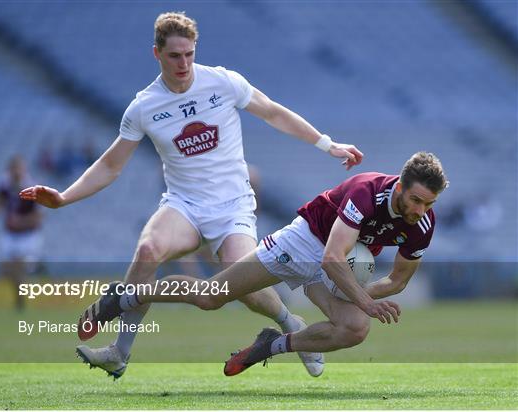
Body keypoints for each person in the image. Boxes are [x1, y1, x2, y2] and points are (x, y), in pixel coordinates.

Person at [19, 11, 363, 378]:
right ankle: (120, 353)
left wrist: (328, 144)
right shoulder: (144, 106)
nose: (183, 63)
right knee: (149, 249)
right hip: (183, 205)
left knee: (242, 284)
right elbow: (110, 165)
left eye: (189, 54)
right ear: (156, 54)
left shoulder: (223, 82)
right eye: (174, 56)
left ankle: (288, 321)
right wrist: (64, 197)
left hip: (233, 207)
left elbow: (273, 113)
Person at [80, 152, 447, 376]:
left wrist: (362, 293)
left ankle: (270, 346)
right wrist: (365, 299)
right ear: (399, 186)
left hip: (339, 261)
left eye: (427, 204)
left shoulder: (423, 224)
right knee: (212, 296)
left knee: (354, 328)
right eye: (415, 200)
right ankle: (126, 297)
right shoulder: (366, 192)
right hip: (304, 242)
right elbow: (331, 257)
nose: (419, 211)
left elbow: (398, 280)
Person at [0, 156, 43, 311]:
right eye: (13, 170)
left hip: (27, 236)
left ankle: (21, 300)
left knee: (18, 268)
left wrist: (21, 221)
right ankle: (21, 293)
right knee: (6, 271)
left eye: (19, 170)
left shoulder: (31, 188)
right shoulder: (4, 185)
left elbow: (38, 217)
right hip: (9, 235)